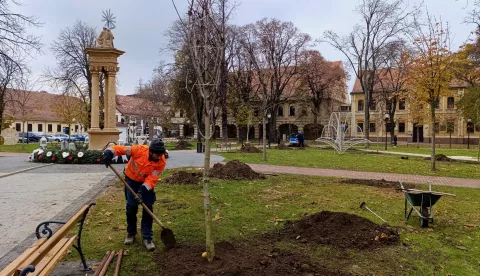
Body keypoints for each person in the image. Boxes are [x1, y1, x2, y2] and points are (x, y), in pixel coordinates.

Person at [102, 139, 167, 251]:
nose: (159, 157)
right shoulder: (139, 150)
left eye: (161, 154)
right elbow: (118, 149)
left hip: (145, 184)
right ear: (151, 152)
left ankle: (147, 237)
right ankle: (131, 233)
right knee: (131, 207)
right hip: (131, 180)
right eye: (157, 154)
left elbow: (152, 179)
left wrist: (142, 191)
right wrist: (109, 153)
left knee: (148, 208)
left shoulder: (161, 162)